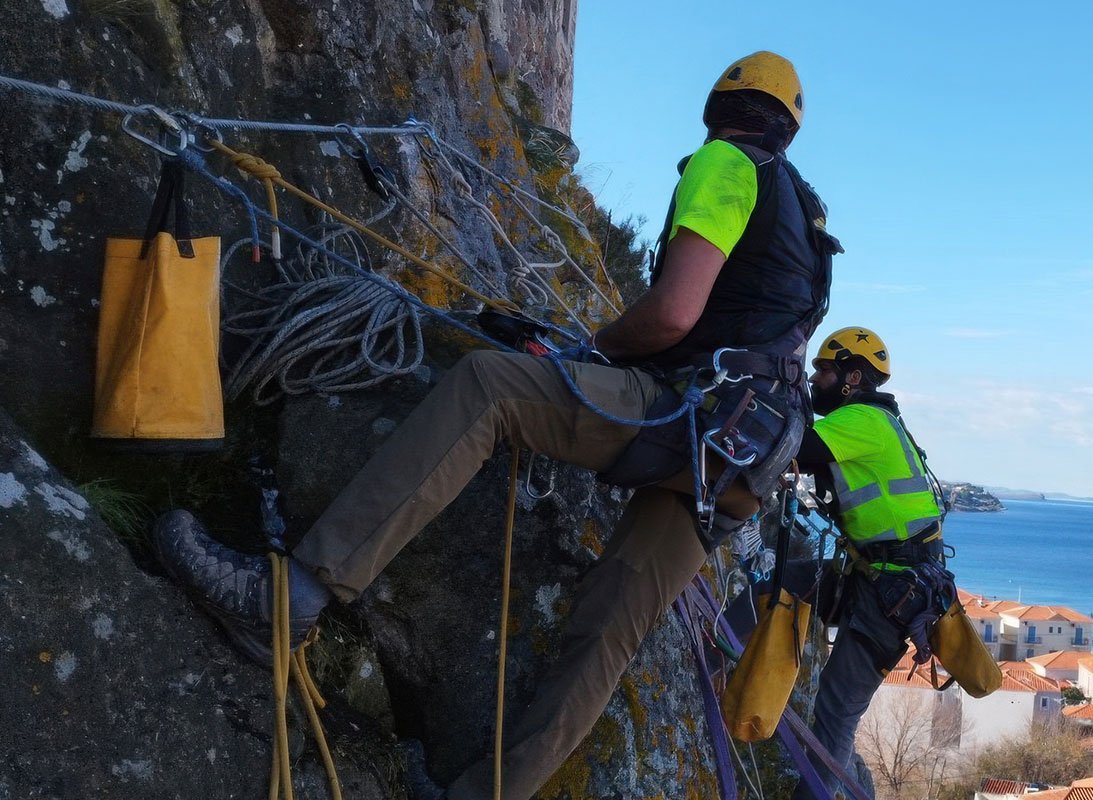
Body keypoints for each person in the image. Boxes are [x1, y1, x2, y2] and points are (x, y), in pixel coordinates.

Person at [154, 51, 836, 800]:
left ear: (720, 110)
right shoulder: (804, 218)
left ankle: (290, 598)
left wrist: (591, 350)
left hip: (695, 418)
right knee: (609, 631)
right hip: (745, 457)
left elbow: (674, 314)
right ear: (788, 128)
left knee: (489, 386)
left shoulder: (727, 163)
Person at [728, 326, 953, 788]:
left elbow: (800, 447)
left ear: (853, 377)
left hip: (895, 589)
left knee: (836, 709)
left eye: (825, 372)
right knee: (779, 583)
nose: (815, 381)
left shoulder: (864, 420)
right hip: (876, 575)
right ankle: (716, 650)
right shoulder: (868, 421)